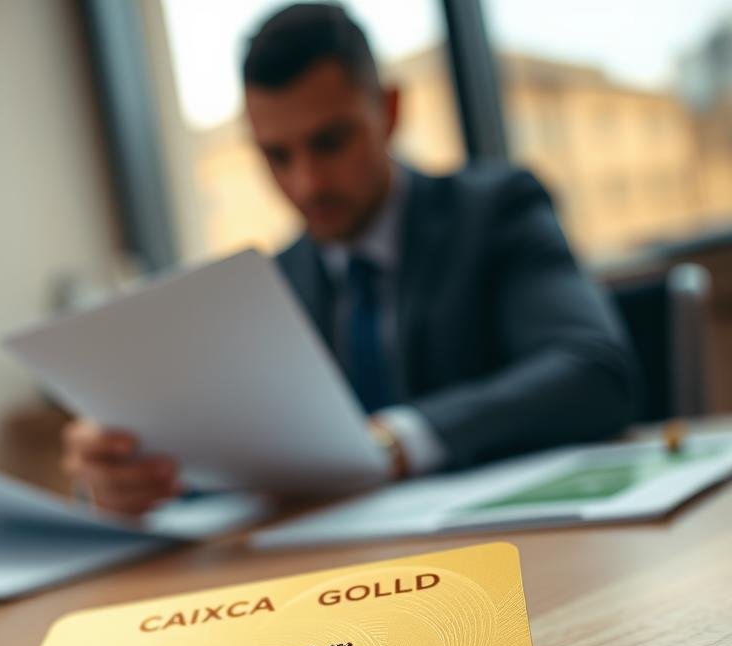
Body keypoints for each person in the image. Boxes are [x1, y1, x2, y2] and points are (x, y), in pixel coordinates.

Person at [61, 2, 640, 516]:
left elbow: (593, 372)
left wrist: (395, 443)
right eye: (277, 156)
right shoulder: (269, 286)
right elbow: (230, 462)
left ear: (388, 111)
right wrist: (122, 472)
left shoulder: (496, 211)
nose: (307, 184)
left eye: (331, 142)